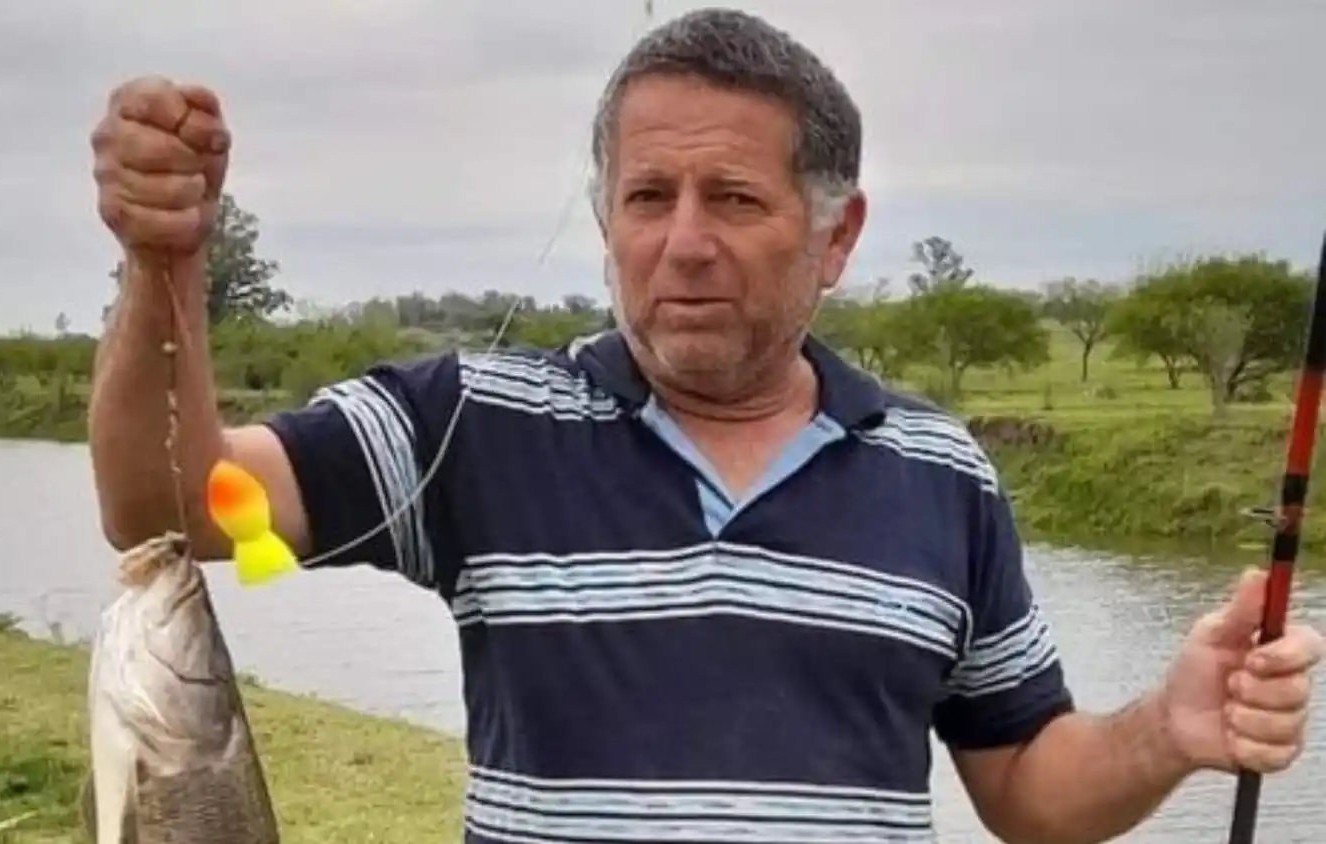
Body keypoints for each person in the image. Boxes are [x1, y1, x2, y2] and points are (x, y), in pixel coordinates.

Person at [87, 8, 1323, 844]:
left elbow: (1024, 789)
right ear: (606, 215)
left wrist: (1170, 727)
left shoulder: (940, 473)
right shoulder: (473, 422)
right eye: (647, 196)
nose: (682, 242)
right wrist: (165, 267)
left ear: (835, 235)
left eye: (733, 197)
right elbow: (179, 509)